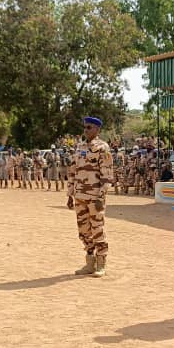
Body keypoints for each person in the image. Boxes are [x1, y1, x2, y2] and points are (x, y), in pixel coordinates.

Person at [67, 117, 114, 278]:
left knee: (97, 229)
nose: (85, 130)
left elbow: (107, 176)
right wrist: (70, 194)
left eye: (89, 127)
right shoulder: (80, 147)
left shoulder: (103, 148)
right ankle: (89, 262)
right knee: (84, 231)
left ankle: (101, 263)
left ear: (97, 130)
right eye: (85, 127)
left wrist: (101, 196)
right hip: (79, 196)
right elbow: (73, 170)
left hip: (95, 197)